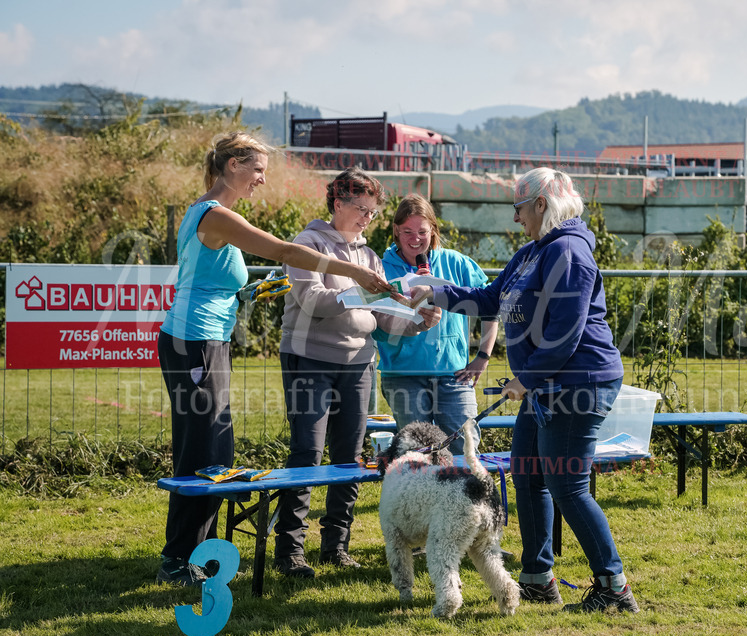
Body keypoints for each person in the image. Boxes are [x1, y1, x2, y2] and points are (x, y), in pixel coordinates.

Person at [158, 132, 397, 587]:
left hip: (205, 340)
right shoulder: (215, 214)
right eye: (258, 170)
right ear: (232, 165)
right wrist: (354, 271)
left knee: (215, 452)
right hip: (194, 341)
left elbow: (202, 279)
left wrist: (244, 293)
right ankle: (178, 560)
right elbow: (287, 252)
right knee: (203, 452)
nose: (262, 180)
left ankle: (196, 554)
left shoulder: (210, 213)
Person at [408, 167, 639, 613]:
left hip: (578, 383)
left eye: (519, 208)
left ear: (540, 204)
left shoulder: (569, 252)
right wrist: (433, 293)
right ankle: (536, 578)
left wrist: (527, 378)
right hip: (547, 383)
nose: (516, 218)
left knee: (567, 485)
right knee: (528, 473)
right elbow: (489, 299)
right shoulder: (532, 252)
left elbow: (566, 332)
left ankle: (614, 587)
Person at [273, 170, 441, 579]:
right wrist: (359, 286)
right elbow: (312, 300)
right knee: (307, 453)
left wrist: (418, 323)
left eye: (372, 212)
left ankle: (336, 545)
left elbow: (382, 317)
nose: (368, 218)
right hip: (309, 360)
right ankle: (289, 549)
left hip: (359, 363)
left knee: (349, 456)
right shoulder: (307, 243)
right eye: (361, 209)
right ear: (337, 204)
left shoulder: (368, 256)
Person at [374, 194, 499, 456]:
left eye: (422, 231)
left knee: (464, 448)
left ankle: (463, 486)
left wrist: (483, 356)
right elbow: (376, 324)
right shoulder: (382, 268)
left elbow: (491, 305)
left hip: (453, 375)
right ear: (396, 230)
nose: (415, 239)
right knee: (416, 453)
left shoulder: (456, 262)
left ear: (433, 229)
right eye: (407, 231)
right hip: (403, 376)